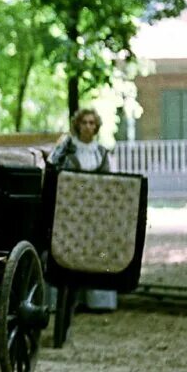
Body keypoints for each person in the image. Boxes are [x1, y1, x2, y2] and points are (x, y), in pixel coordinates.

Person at [47, 107, 118, 312]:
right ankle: (60, 301)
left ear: (96, 127)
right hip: (69, 209)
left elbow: (108, 180)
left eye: (91, 123)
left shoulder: (100, 152)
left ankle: (96, 302)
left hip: (93, 210)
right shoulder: (68, 146)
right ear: (77, 125)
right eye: (84, 122)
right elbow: (53, 167)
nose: (88, 126)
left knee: (94, 250)